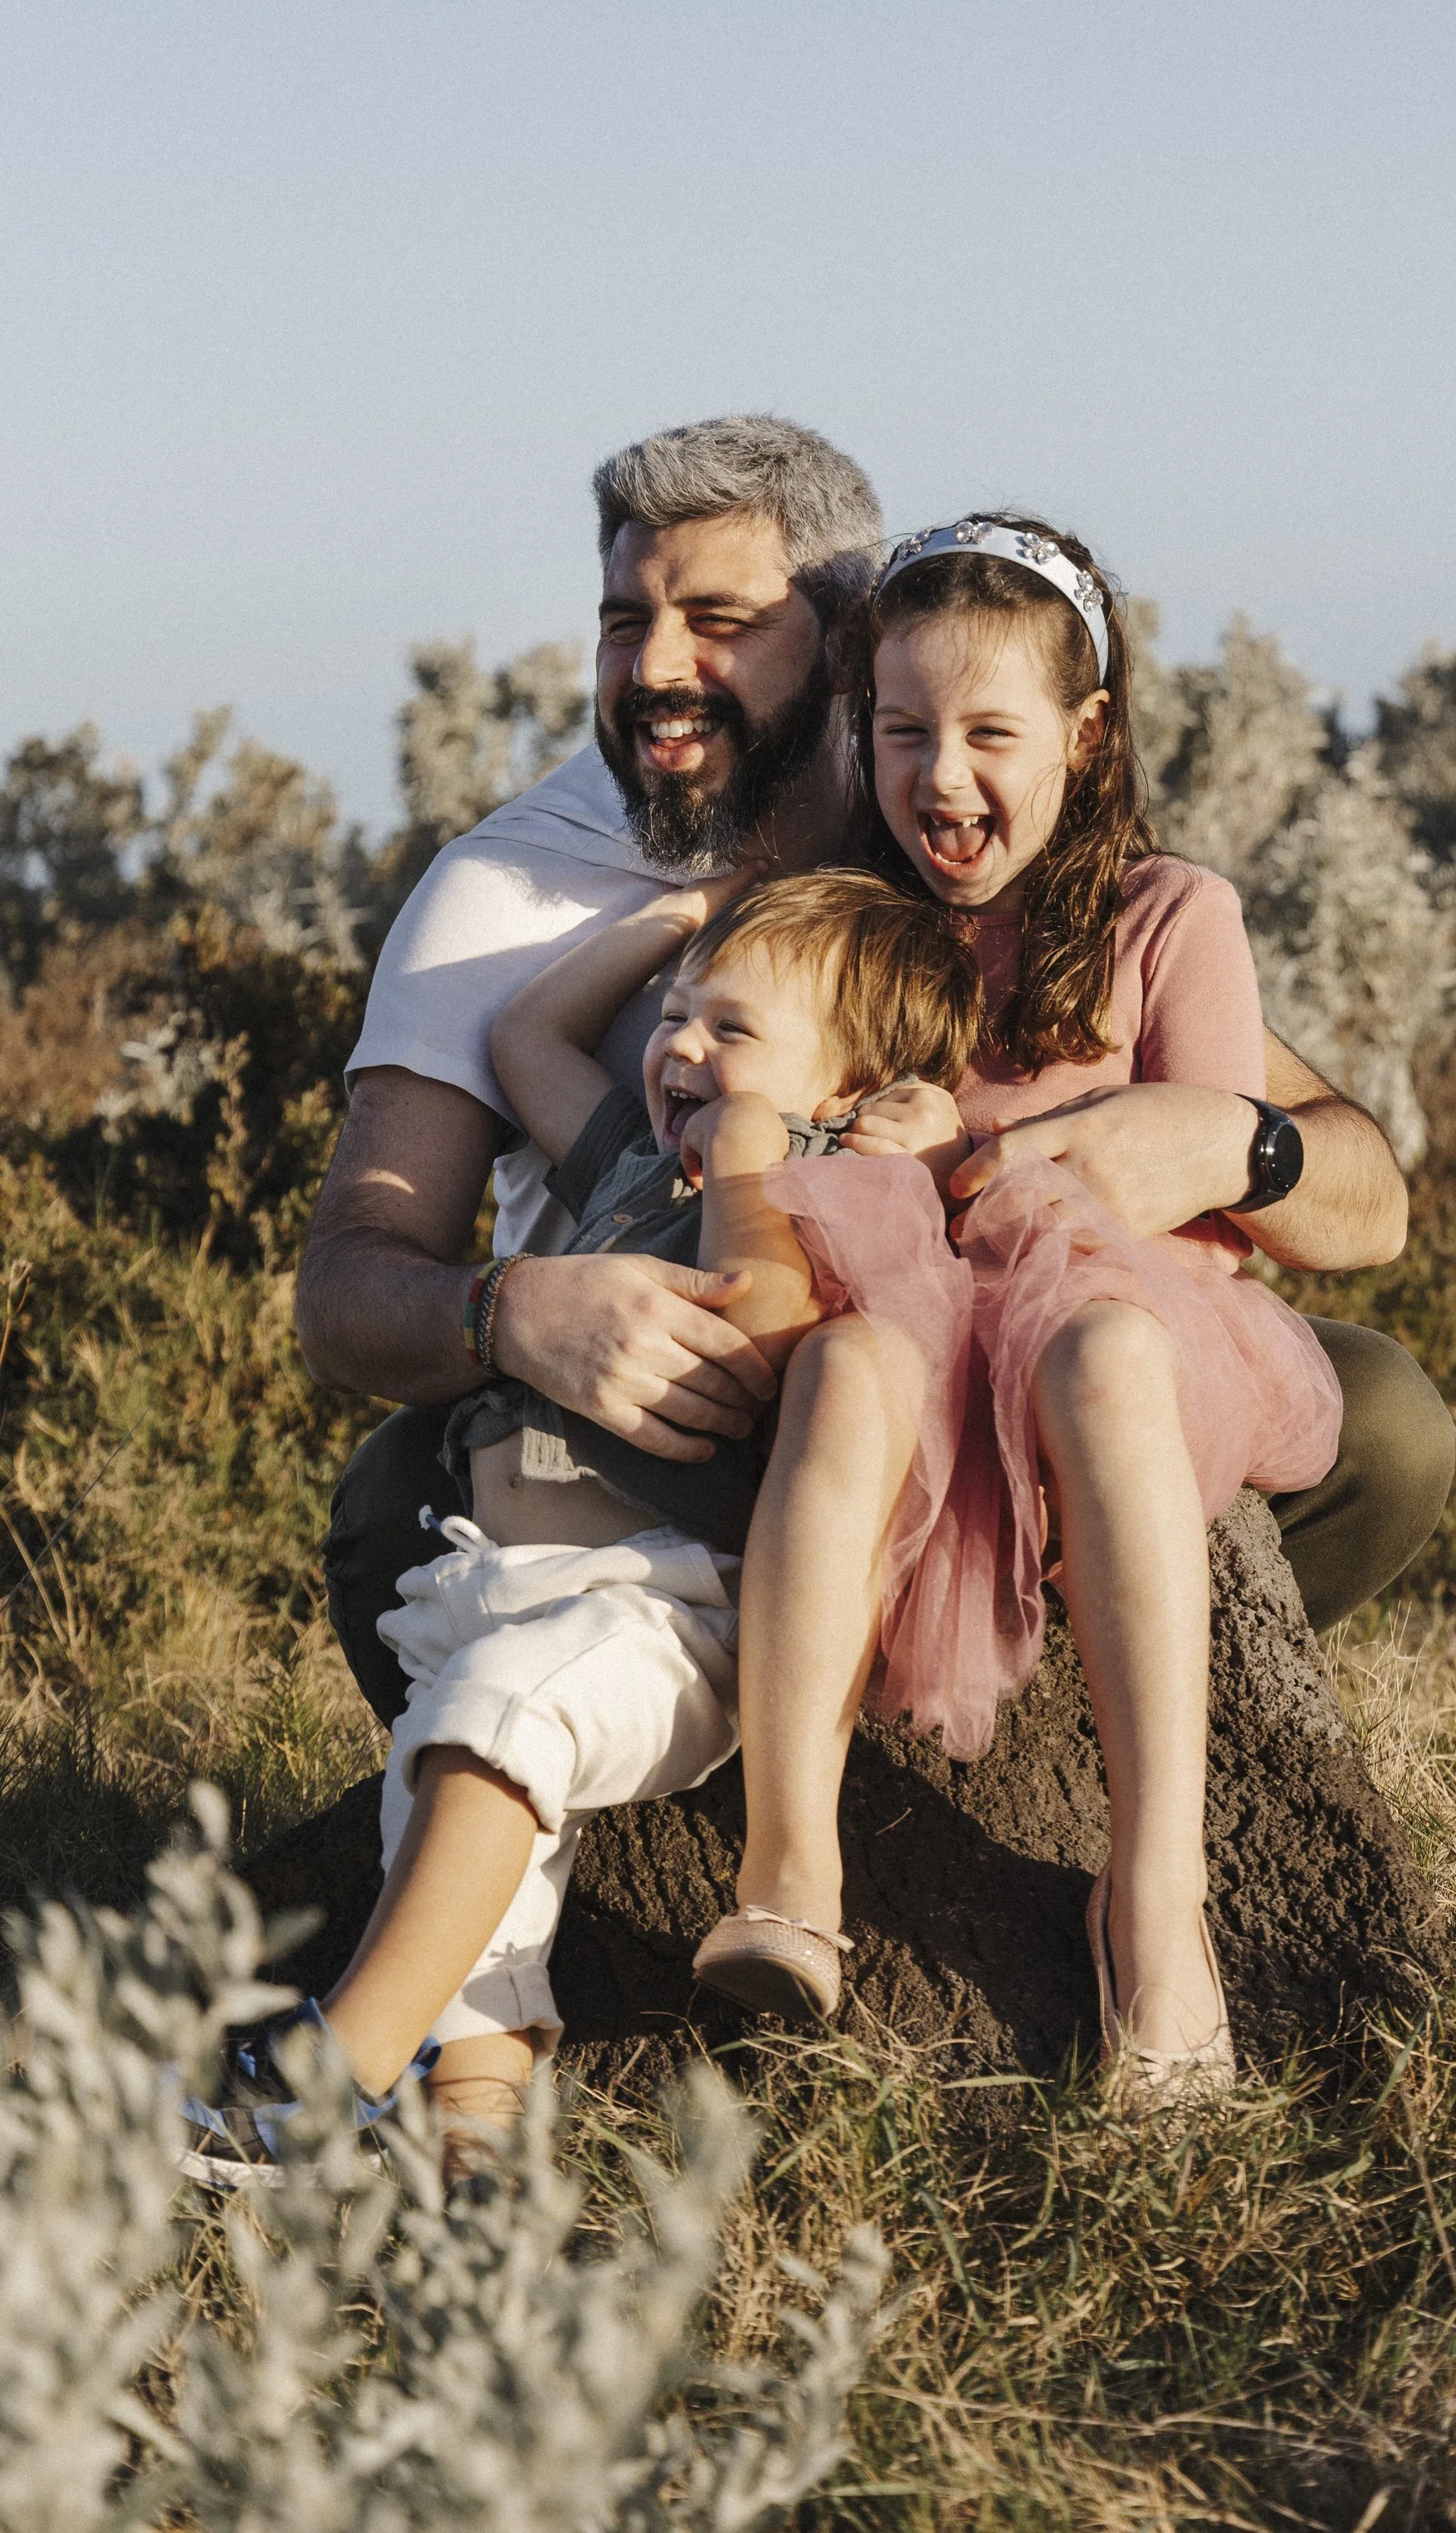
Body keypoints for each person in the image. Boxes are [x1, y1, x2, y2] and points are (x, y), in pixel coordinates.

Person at [300, 417, 1455, 1735]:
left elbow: (1359, 1188)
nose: (658, 666)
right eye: (625, 621)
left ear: (848, 642)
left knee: (1384, 1419)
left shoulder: (939, 820)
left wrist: (1239, 1145)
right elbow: (345, 1288)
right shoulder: (501, 895)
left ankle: (1030, 1717)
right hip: (677, 1421)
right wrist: (509, 1309)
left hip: (990, 1373)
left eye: (719, 620)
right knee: (396, 1498)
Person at [687, 514, 1348, 2105]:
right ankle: (792, 1876)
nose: (944, 777)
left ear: (1086, 735)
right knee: (853, 1366)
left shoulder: (1168, 916)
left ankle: (1158, 1899)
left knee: (1105, 1345)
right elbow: (746, 1078)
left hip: (1106, 1334)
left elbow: (1199, 1180)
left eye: (993, 733)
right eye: (904, 730)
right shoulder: (845, 918)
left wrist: (992, 1149)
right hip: (904, 1331)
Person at [188, 868, 987, 2183]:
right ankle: (475, 2145)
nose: (682, 1047)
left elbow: (764, 1328)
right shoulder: (631, 1152)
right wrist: (675, 923)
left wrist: (751, 1156)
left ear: (847, 1086)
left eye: (732, 1028)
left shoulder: (830, 1177)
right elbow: (524, 1036)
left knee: (493, 1736)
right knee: (462, 1852)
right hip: (497, 1577)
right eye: (676, 1016)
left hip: (660, 1594)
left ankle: (323, 2081)